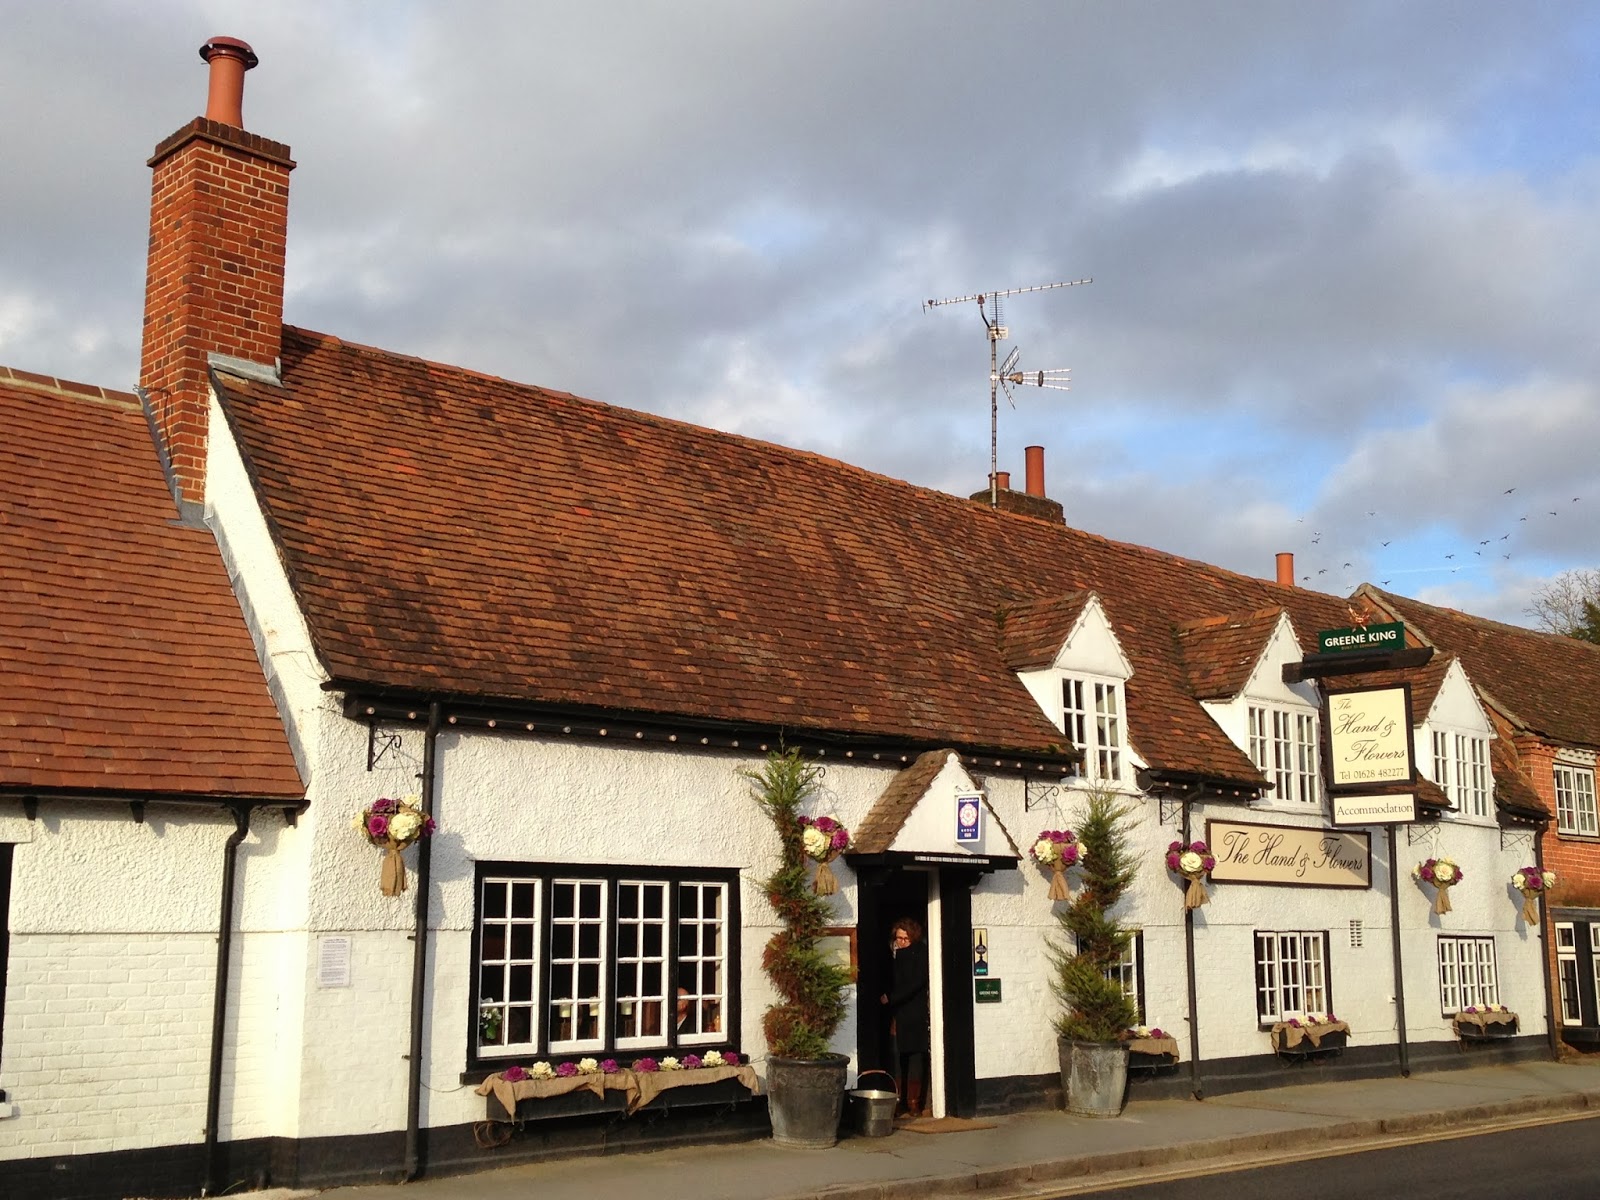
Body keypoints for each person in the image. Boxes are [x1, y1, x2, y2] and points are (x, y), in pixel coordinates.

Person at [880, 917, 930, 1117]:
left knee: (915, 1056)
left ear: (913, 938)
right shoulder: (890, 954)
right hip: (896, 1016)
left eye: (905, 939)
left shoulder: (920, 954)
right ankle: (898, 1100)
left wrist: (890, 998)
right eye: (899, 938)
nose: (901, 942)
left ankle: (913, 1102)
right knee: (895, 1056)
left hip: (913, 1013)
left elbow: (916, 982)